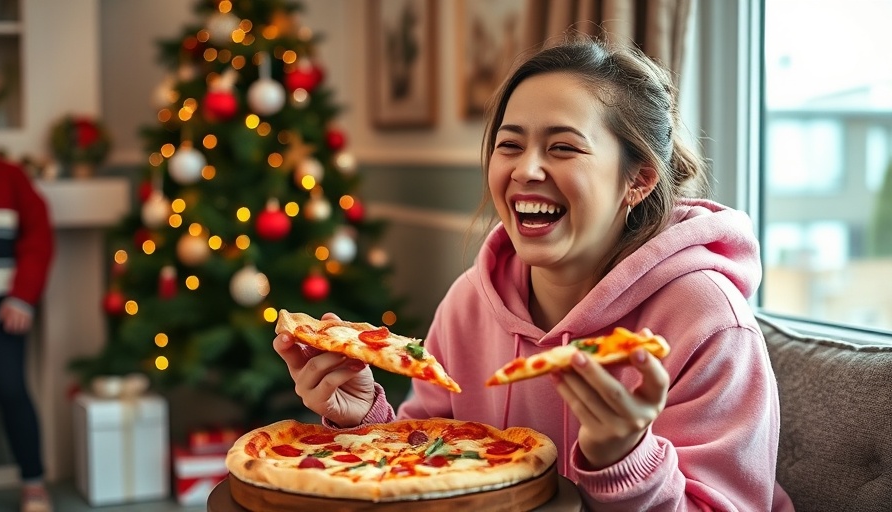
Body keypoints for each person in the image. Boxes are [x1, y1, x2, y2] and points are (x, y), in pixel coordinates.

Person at [274, 34, 794, 511]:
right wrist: (365, 418)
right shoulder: (469, 302)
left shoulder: (708, 321)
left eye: (563, 147)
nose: (526, 169)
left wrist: (625, 457)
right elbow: (427, 461)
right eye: (510, 144)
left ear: (637, 181)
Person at [0, 158, 54, 512]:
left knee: (11, 389)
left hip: (5, 308)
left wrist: (22, 295)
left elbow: (38, 237)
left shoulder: (10, 177)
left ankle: (33, 483)